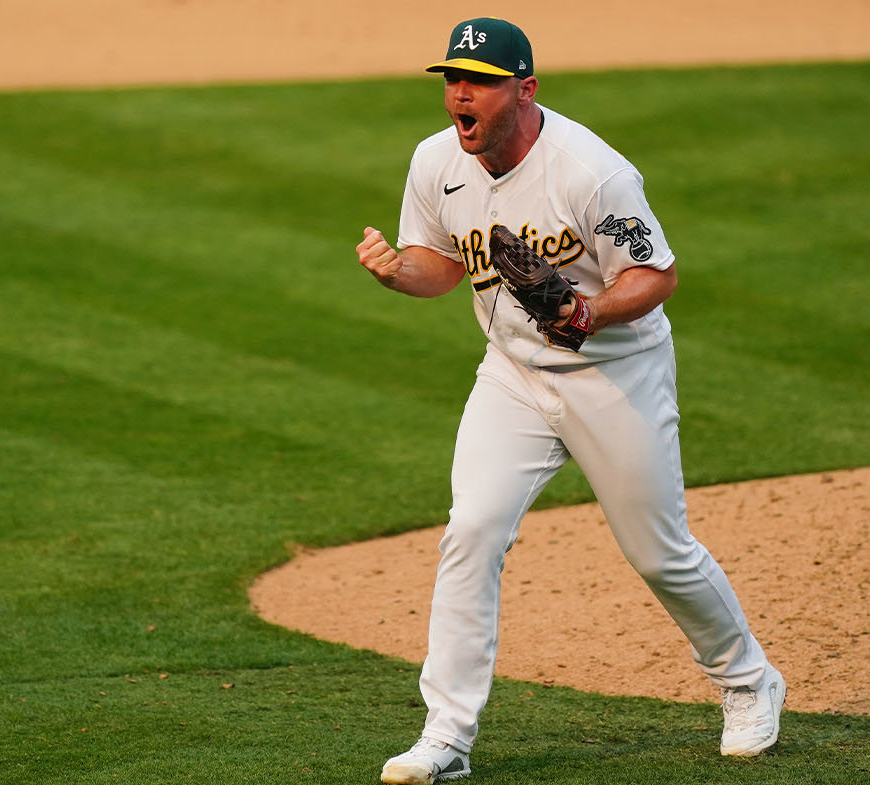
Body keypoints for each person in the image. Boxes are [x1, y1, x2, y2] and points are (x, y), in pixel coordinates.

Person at [356, 17, 785, 784]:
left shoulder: (591, 172)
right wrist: (397, 273)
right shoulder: (436, 161)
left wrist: (587, 314)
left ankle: (749, 681)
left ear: (525, 90)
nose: (460, 95)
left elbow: (655, 276)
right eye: (453, 79)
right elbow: (440, 263)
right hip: (514, 375)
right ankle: (445, 737)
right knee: (472, 532)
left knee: (659, 552)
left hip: (615, 375)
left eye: (480, 82)